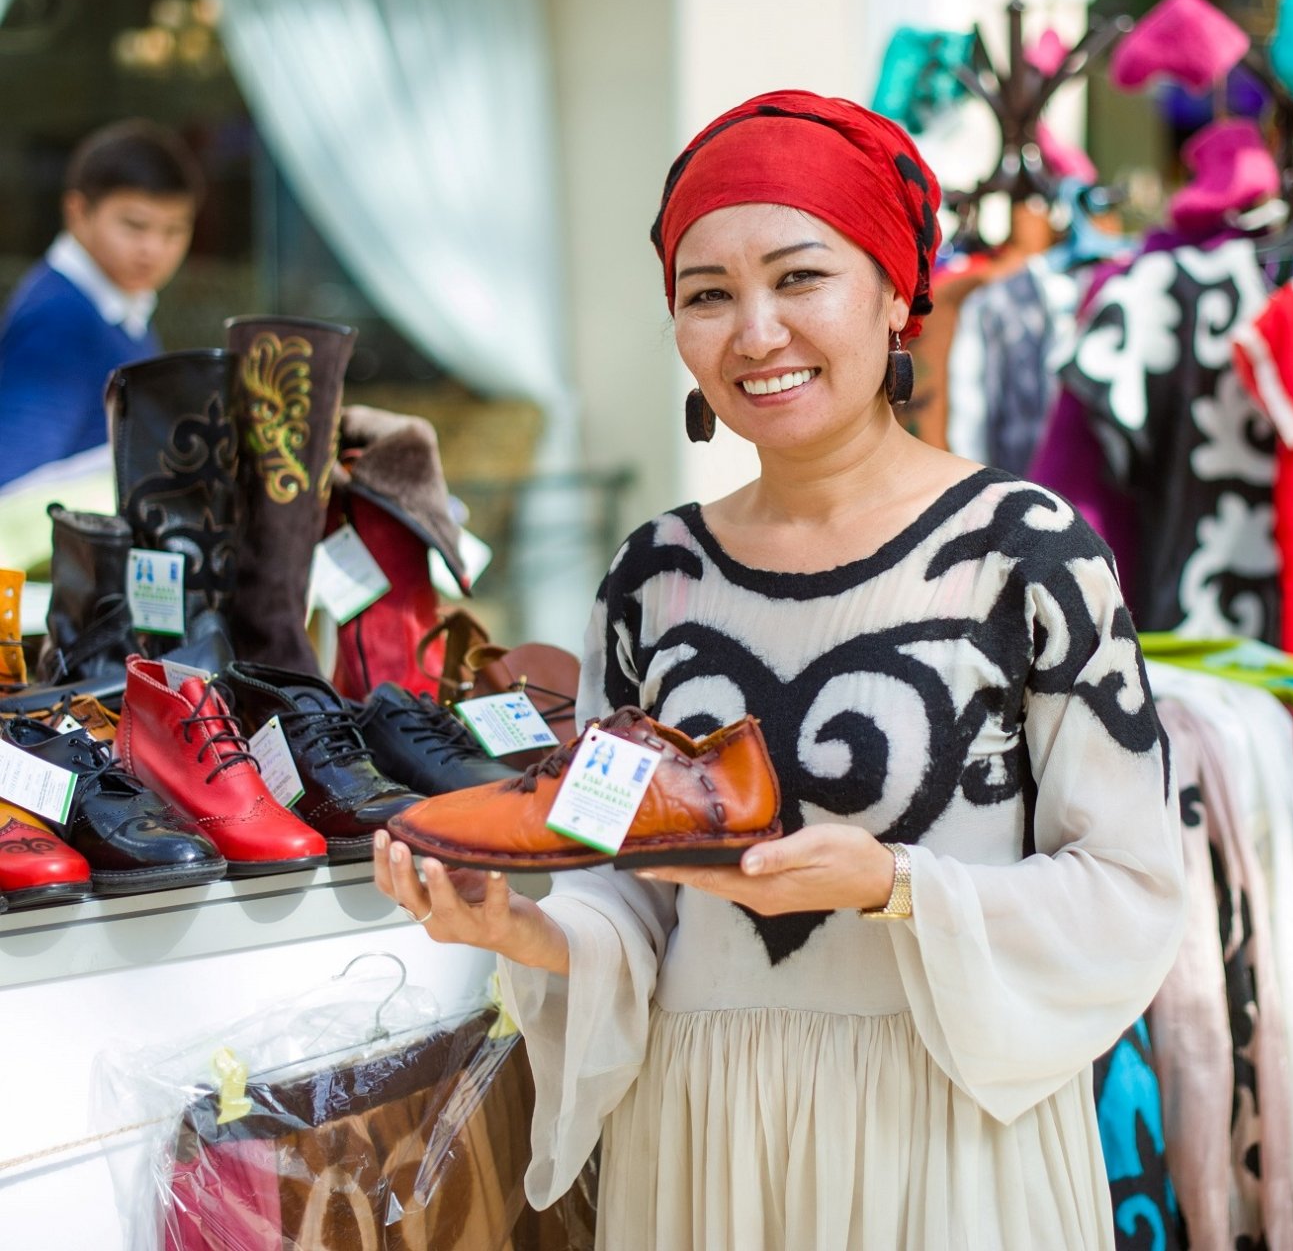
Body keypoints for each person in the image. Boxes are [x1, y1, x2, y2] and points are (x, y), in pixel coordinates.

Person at [374, 90, 1186, 1249]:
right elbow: (632, 880)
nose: (753, 333)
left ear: (897, 293)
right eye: (707, 295)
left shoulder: (1023, 552)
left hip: (947, 1147)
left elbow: (1129, 888)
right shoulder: (654, 574)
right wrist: (529, 935)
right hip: (704, 1142)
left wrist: (891, 883)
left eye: (799, 277)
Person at [0, 119, 203, 489]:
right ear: (78, 212)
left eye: (174, 230)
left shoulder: (120, 306)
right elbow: (12, 488)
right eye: (134, 226)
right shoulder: (60, 321)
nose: (154, 249)